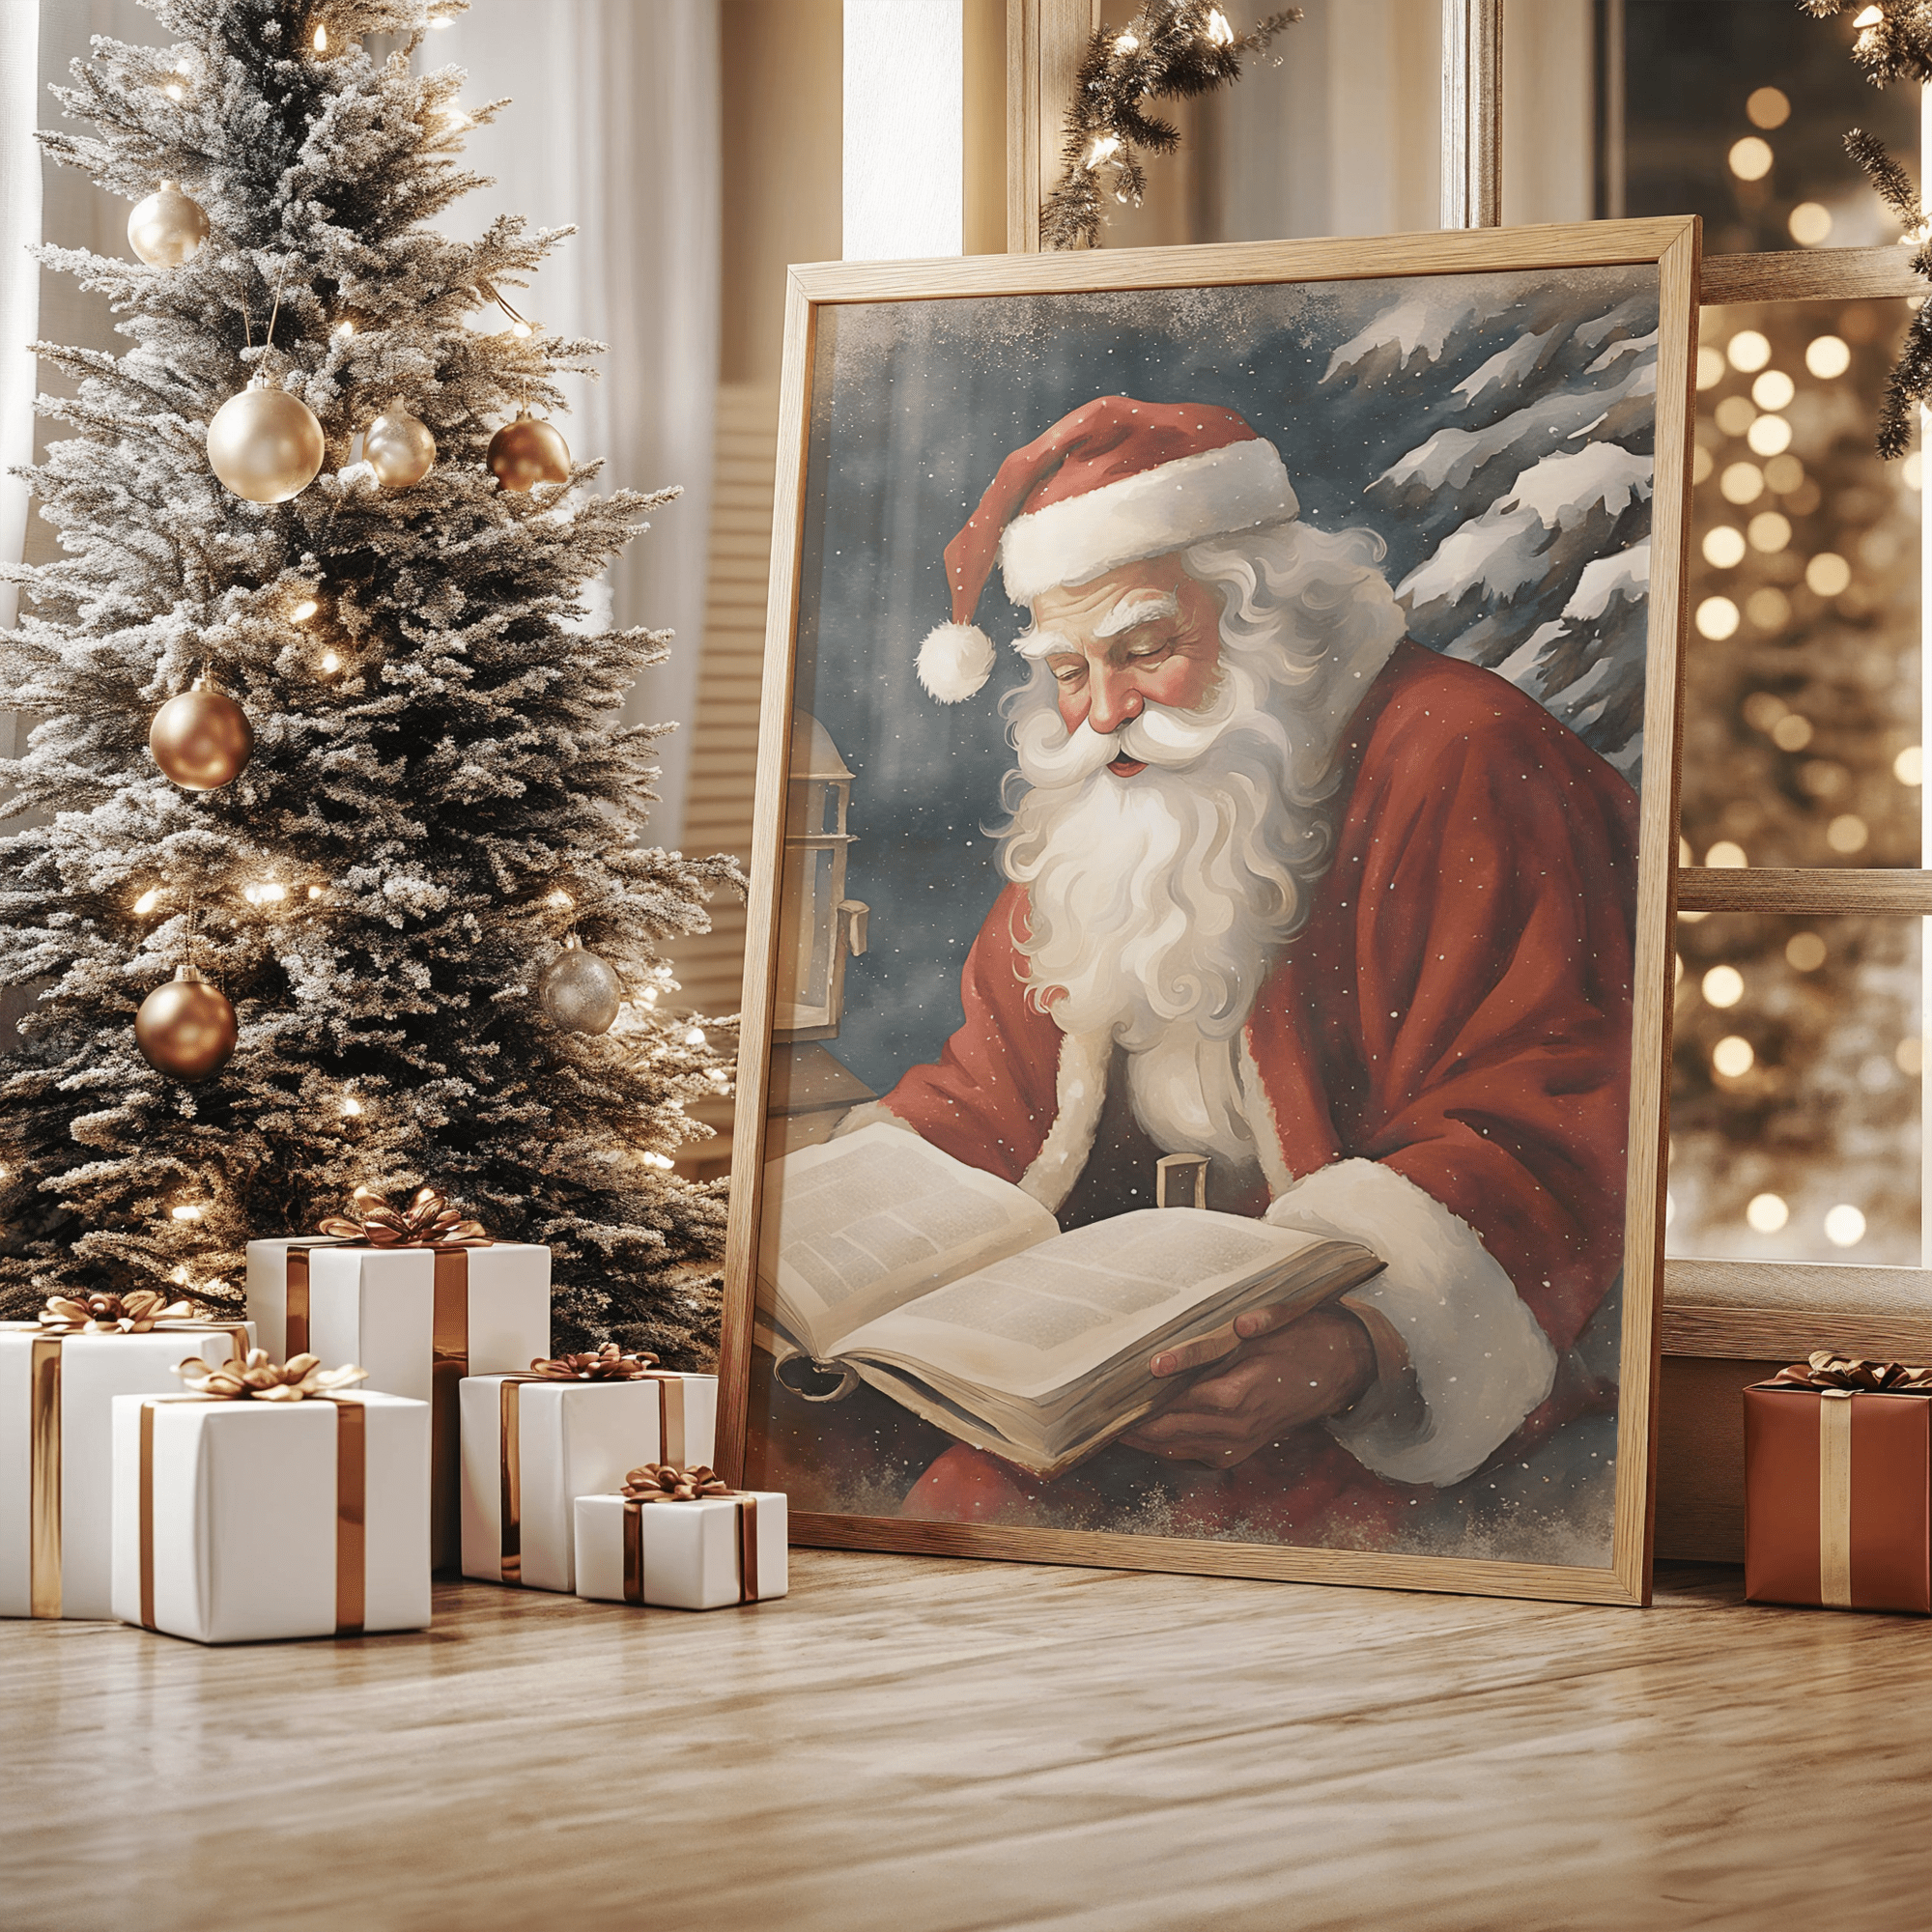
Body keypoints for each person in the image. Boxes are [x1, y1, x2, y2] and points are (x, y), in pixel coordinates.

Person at [831, 395, 1638, 1542]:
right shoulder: (1102, 806)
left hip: (1380, 1383)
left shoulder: (1463, 755)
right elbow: (994, 1093)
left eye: (1144, 647)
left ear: (1270, 612)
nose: (1101, 710)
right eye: (1067, 668)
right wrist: (825, 1238)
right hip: (1115, 1353)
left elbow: (1545, 1116)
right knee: (899, 1506)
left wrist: (1352, 1341)